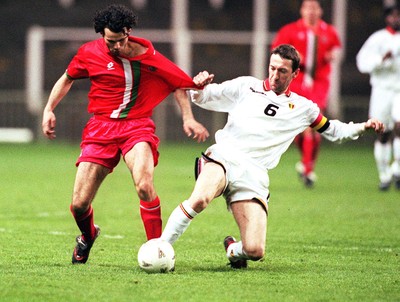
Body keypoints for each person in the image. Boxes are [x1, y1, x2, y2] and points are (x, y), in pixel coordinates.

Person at [160, 44, 384, 269]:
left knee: (255, 251)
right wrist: (198, 87)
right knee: (199, 199)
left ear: (295, 73)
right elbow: (203, 97)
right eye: (272, 68)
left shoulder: (304, 108)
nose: (275, 75)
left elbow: (335, 131)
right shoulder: (246, 86)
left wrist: (363, 127)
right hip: (225, 156)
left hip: (254, 173)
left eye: (282, 71)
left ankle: (232, 250)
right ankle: (160, 248)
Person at [41, 4, 209, 264]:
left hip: (136, 126)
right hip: (100, 129)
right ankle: (87, 236)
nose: (115, 46)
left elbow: (176, 81)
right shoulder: (88, 53)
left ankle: (157, 249)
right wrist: (49, 109)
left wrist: (188, 117)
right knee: (78, 205)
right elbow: (66, 78)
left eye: (119, 41)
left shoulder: (146, 53)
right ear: (101, 35)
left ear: (129, 32)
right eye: (110, 41)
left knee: (144, 185)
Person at [271, 0, 342, 187]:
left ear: (320, 11)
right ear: (302, 10)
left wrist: (332, 56)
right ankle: (306, 163)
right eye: (307, 7)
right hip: (297, 80)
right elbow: (276, 52)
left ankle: (308, 170)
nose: (311, 11)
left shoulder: (328, 31)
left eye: (314, 8)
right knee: (299, 126)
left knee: (313, 123)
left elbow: (337, 49)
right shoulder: (290, 31)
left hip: (319, 82)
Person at [356, 4, 400, 191]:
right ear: (387, 18)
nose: (396, 19)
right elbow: (362, 62)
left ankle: (397, 169)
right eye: (393, 15)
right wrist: (381, 60)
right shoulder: (377, 39)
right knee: (383, 133)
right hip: (382, 90)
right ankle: (384, 174)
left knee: (399, 127)